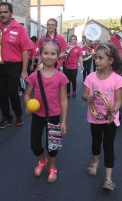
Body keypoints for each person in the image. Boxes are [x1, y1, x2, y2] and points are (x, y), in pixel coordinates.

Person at [82, 43, 122, 191]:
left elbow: (119, 100)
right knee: (96, 141)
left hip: (110, 119)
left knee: (108, 146)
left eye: (100, 58)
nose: (97, 61)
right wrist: (87, 97)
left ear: (111, 60)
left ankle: (108, 178)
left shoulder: (117, 79)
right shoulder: (91, 77)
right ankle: (95, 162)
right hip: (95, 117)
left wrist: (113, 111)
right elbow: (84, 94)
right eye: (96, 58)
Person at [24, 40, 68, 183]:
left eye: (53, 54)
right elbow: (27, 94)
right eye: (46, 53)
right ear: (40, 55)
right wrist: (28, 106)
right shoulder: (34, 76)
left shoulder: (61, 77)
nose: (49, 56)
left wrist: (64, 121)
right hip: (37, 115)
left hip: (54, 116)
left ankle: (52, 167)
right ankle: (43, 161)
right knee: (34, 145)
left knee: (53, 146)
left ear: (58, 56)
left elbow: (63, 100)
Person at [0, 2, 33, 129]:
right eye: (0, 12)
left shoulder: (19, 28)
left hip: (14, 65)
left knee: (12, 92)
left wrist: (24, 71)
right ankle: (6, 117)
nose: (2, 15)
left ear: (11, 13)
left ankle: (18, 114)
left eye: (5, 12)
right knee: (1, 92)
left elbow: (25, 50)